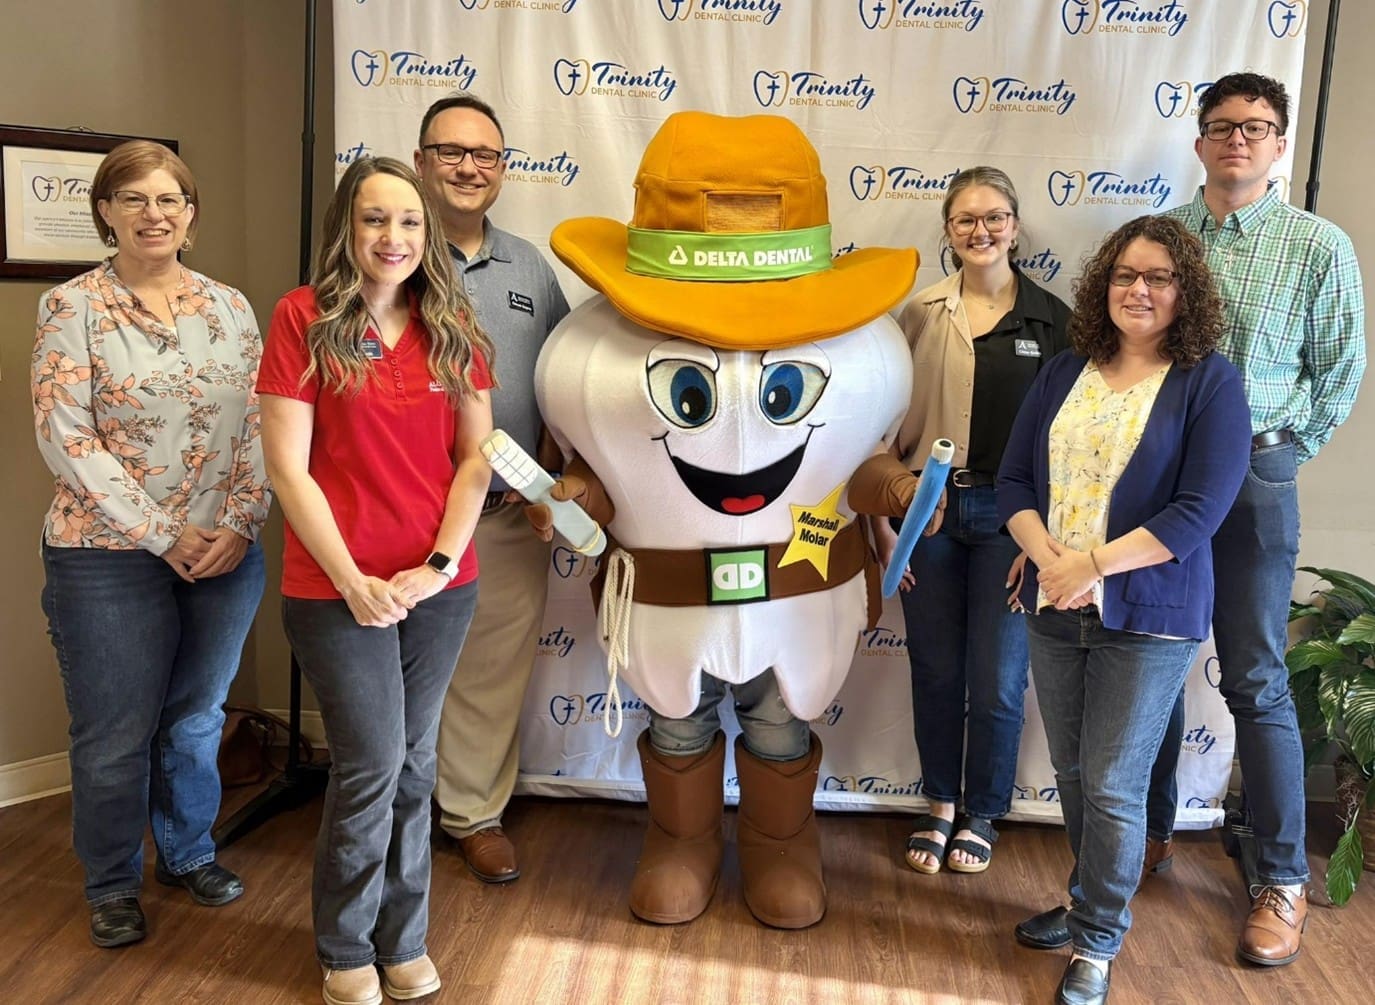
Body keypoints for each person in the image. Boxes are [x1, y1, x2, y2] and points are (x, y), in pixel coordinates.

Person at [257, 156, 493, 1005]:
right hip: (335, 589)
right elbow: (288, 470)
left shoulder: (453, 321)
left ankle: (405, 937)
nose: (391, 238)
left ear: (428, 237)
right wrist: (355, 579)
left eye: (408, 222)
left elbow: (475, 460)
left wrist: (433, 568)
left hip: (438, 585)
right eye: (373, 219)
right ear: (346, 229)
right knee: (371, 762)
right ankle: (345, 942)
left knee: (417, 763)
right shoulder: (302, 318)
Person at [998, 216, 1251, 1005]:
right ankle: (1083, 900)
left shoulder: (1209, 381)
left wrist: (1093, 565)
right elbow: (1012, 483)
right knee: (1072, 769)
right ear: (1101, 284)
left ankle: (1098, 940)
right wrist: (1050, 561)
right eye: (1124, 275)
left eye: (1158, 278)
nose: (1138, 291)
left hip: (1147, 612)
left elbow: (1197, 512)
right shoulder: (1065, 368)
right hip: (1052, 599)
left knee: (1111, 779)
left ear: (1186, 293)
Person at [1146, 72, 1366, 965]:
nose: (1237, 138)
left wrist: (1272, 454)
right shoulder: (1159, 240)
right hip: (1157, 475)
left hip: (1255, 475)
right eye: (1221, 125)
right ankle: (1142, 837)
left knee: (1256, 676)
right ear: (1198, 142)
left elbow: (1337, 370)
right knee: (1149, 660)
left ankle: (1278, 877)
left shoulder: (1317, 247)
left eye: (1257, 126)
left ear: (1278, 146)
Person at [32, 141, 270, 948]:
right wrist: (164, 533)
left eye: (169, 199)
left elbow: (262, 423)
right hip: (105, 555)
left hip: (223, 553)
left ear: (191, 216)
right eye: (133, 198)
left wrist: (241, 520)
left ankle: (187, 850)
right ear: (105, 212)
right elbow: (68, 437)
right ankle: (110, 881)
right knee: (113, 734)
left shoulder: (230, 307)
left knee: (197, 716)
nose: (153, 214)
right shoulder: (73, 308)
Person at [877, 166, 1070, 876]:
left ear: (1015, 227)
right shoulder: (918, 312)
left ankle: (983, 809)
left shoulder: (1055, 321)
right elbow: (884, 420)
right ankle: (936, 801)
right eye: (964, 220)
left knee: (996, 676)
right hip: (927, 513)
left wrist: (1043, 537)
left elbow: (1068, 437)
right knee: (933, 667)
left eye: (993, 217)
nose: (980, 231)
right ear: (947, 231)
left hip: (1011, 519)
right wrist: (891, 510)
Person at [415, 93, 570, 883]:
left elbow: (562, 385)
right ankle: (395, 815)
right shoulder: (387, 253)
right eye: (451, 151)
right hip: (403, 511)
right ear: (419, 163)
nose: (469, 167)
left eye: (486, 155)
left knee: (490, 670)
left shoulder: (529, 267)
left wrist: (552, 482)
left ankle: (472, 813)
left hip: (507, 513)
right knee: (394, 667)